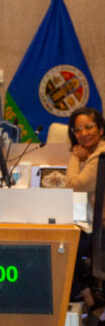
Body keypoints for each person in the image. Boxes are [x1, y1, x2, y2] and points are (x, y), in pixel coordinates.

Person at [64, 107, 105, 316]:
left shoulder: (100, 155)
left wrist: (74, 156)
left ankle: (84, 300)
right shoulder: (95, 153)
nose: (83, 133)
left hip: (102, 229)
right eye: (78, 130)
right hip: (96, 222)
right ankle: (90, 300)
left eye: (88, 127)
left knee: (65, 247)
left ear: (100, 129)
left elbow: (74, 185)